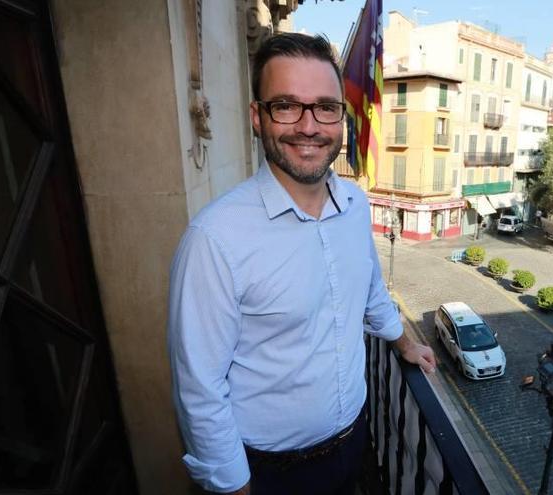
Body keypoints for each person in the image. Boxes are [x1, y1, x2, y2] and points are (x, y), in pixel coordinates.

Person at [167, 33, 436, 495]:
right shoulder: (214, 240)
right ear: (258, 117)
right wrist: (234, 487)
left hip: (354, 444)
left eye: (326, 107)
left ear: (340, 118)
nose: (309, 126)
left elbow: (370, 289)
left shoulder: (354, 203)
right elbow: (199, 388)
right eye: (286, 105)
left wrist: (403, 342)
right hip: (269, 473)